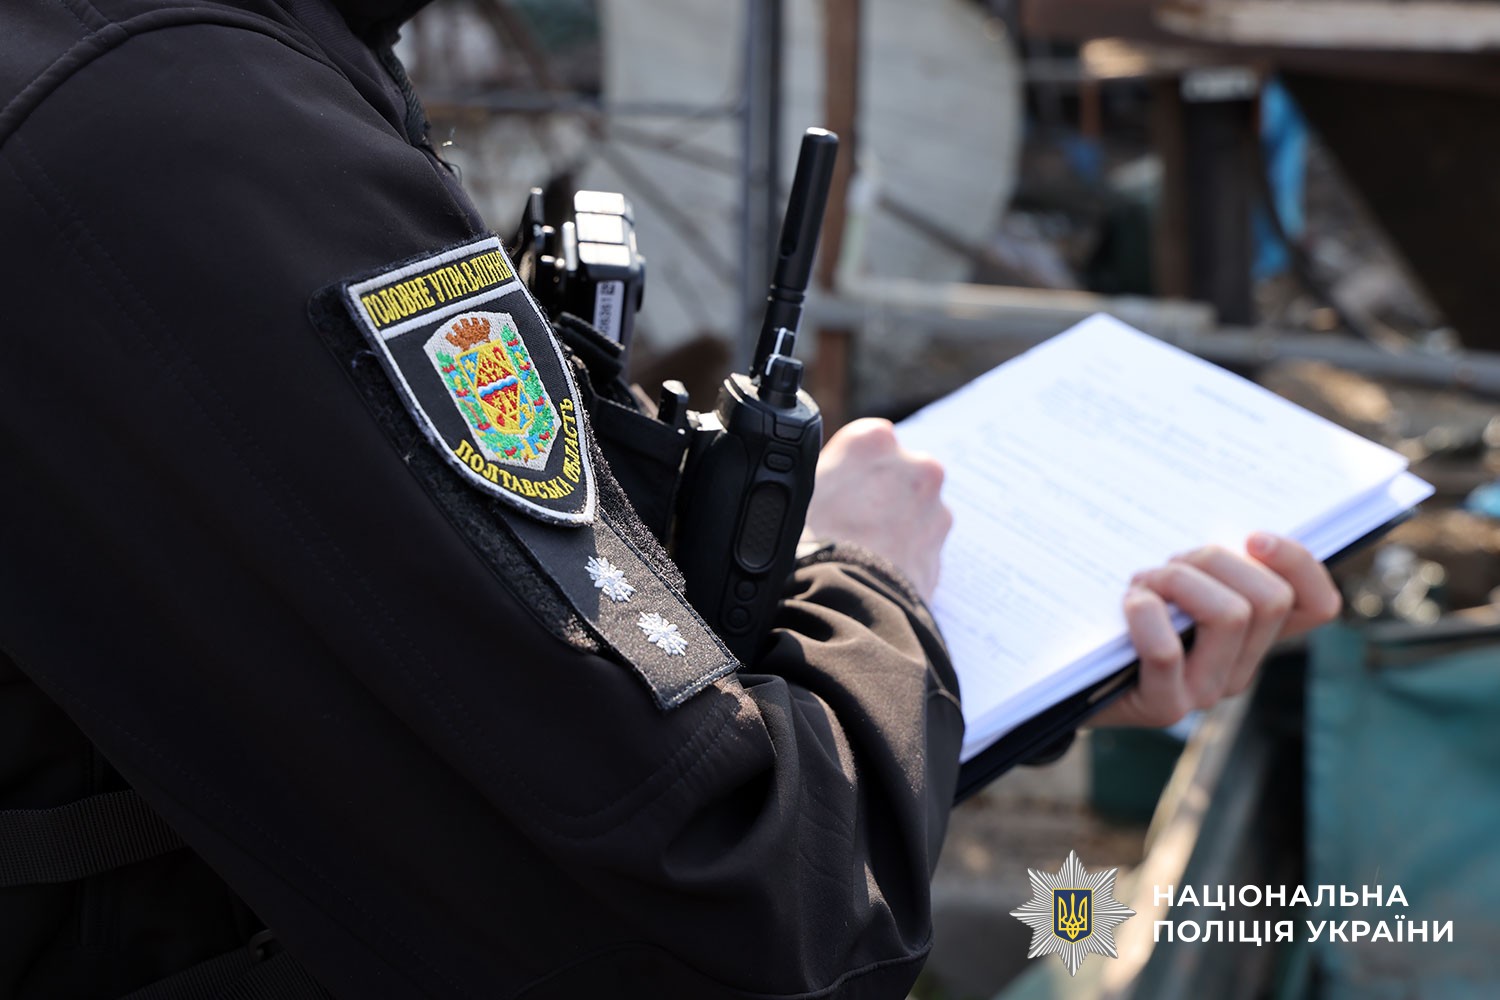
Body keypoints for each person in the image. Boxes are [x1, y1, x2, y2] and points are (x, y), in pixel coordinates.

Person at [0, 0, 1341, 997]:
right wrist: (865, 583)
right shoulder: (185, 131)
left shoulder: (187, 73)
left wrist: (978, 682)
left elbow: (410, 694)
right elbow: (733, 926)